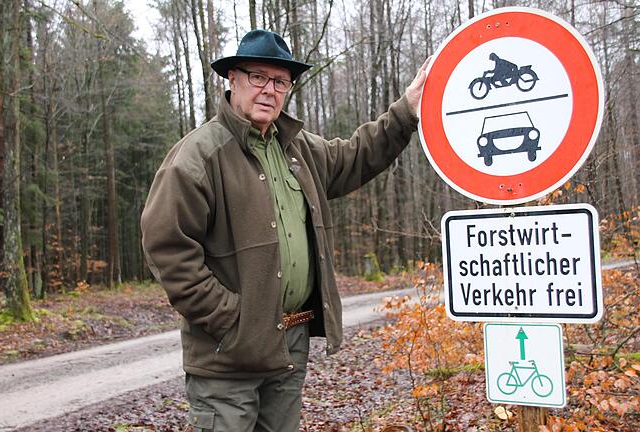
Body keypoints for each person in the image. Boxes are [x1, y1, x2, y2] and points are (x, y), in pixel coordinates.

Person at [141, 29, 431, 432]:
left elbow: (356, 156)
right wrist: (231, 319)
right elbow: (166, 248)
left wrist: (406, 111)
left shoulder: (297, 148)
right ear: (233, 80)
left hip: (289, 343)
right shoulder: (198, 156)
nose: (269, 90)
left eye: (280, 81)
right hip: (227, 356)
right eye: (257, 77)